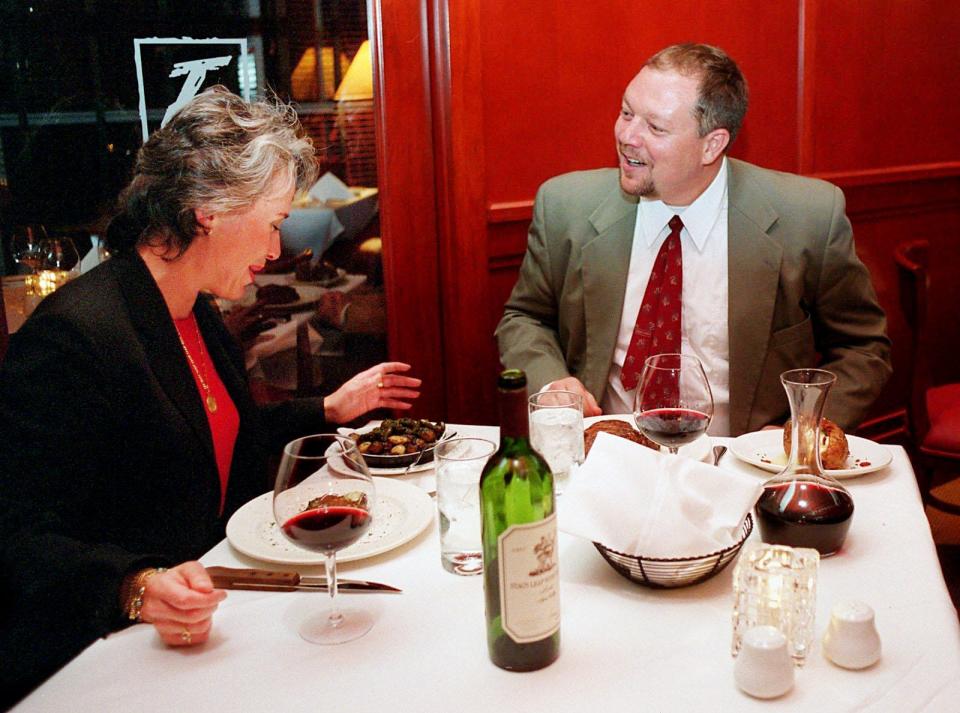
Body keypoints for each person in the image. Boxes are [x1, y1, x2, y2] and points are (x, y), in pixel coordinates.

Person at [0, 86, 420, 706]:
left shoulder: (196, 312)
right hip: (105, 654)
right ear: (210, 210)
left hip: (208, 621)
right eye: (273, 224)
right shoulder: (76, 335)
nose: (277, 250)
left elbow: (226, 435)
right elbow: (21, 535)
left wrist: (327, 412)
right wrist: (134, 585)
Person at [496, 43, 891, 436]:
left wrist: (797, 429)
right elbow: (525, 317)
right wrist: (551, 383)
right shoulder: (565, 206)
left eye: (655, 127)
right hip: (602, 454)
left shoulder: (807, 218)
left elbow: (863, 350)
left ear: (712, 145)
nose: (627, 136)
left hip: (741, 463)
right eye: (626, 112)